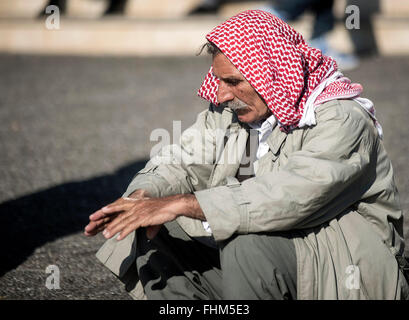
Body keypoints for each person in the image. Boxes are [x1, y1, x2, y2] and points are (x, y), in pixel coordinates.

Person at [84, 10, 409, 300]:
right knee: (153, 224)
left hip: (349, 269)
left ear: (273, 76)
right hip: (267, 260)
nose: (221, 93)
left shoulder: (341, 119)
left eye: (233, 81)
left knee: (244, 237)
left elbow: (287, 196)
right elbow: (183, 158)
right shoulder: (234, 110)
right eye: (219, 80)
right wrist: (146, 195)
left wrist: (181, 204)